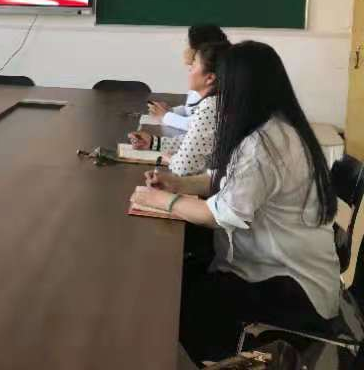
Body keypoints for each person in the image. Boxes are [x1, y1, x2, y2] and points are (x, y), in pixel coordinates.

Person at [130, 41, 339, 363]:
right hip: (282, 269)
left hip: (294, 290)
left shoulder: (264, 144)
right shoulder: (275, 127)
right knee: (181, 275)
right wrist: (179, 184)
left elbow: (220, 214)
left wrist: (164, 200)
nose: (217, 95)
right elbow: (228, 181)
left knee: (170, 302)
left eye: (223, 87)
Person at [128, 41, 229, 175]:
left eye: (194, 66)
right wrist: (154, 142)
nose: (189, 70)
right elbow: (193, 139)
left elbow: (183, 167)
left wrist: (171, 159)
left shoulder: (212, 106)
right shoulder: (214, 101)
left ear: (210, 78)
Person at [147, 25, 229, 131]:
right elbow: (192, 110)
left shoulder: (213, 91)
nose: (185, 50)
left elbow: (196, 124)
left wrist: (165, 116)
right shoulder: (200, 82)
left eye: (188, 45)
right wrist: (171, 111)